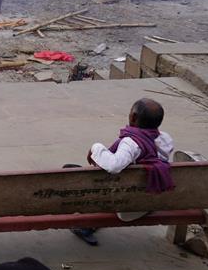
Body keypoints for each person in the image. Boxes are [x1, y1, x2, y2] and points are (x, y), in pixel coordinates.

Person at [70, 98, 175, 246]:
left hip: (126, 203)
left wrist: (96, 147)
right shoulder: (165, 139)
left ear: (133, 117)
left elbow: (114, 166)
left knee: (71, 171)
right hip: (151, 197)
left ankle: (86, 224)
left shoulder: (132, 143)